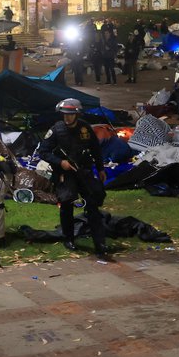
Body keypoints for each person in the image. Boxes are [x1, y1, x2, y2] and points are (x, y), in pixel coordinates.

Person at [39, 99, 109, 259]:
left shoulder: (85, 128)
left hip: (84, 171)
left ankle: (100, 243)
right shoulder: (56, 130)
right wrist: (60, 162)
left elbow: (95, 149)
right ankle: (68, 238)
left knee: (93, 204)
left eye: (70, 114)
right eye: (65, 114)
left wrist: (100, 168)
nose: (67, 117)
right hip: (66, 173)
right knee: (66, 204)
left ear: (76, 114)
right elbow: (43, 152)